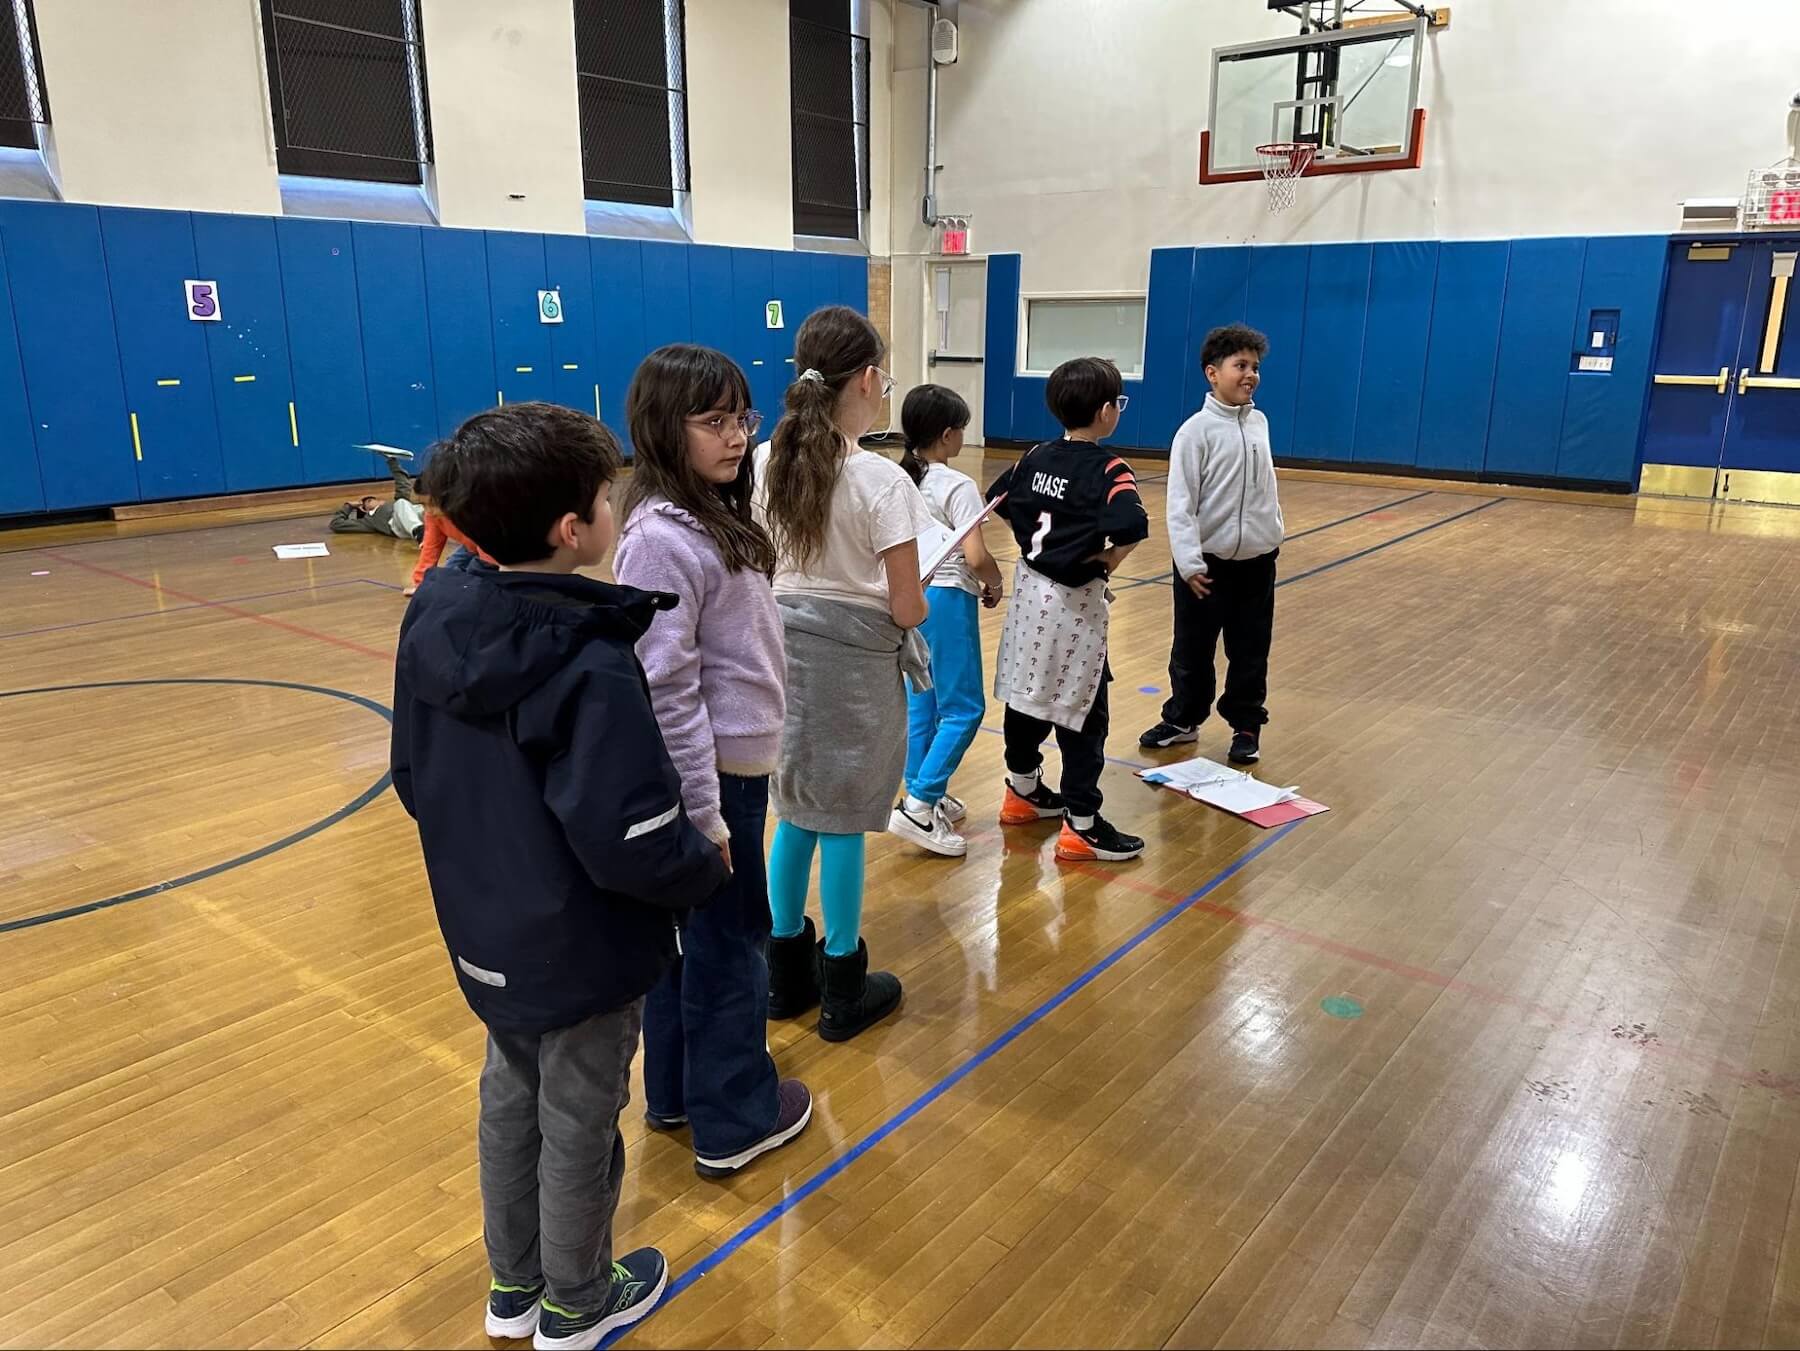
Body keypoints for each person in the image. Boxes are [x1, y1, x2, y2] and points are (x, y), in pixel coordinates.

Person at [390, 402, 727, 1350]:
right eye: (607, 498)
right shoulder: (587, 655)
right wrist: (700, 870)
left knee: (510, 1089)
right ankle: (577, 1299)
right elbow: (631, 834)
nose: (617, 510)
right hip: (582, 941)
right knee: (580, 1110)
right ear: (571, 530)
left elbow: (413, 777)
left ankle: (516, 1285)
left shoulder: (433, 618)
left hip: (484, 927)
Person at [613, 344, 813, 1178]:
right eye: (713, 421)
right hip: (715, 783)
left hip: (730, 774)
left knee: (697, 941)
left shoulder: (707, 517)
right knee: (733, 942)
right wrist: (702, 812)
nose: (736, 437)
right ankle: (735, 1116)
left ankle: (680, 1092)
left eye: (741, 417)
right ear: (668, 428)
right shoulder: (660, 537)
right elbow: (666, 690)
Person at [751, 305, 932, 1043]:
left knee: (794, 806)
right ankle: (842, 987)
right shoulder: (882, 481)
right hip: (855, 663)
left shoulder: (763, 459)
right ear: (865, 379)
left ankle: (783, 971)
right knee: (849, 817)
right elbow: (907, 605)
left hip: (780, 651)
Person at [986, 357, 1149, 863]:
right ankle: (1082, 823)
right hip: (1075, 608)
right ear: (1106, 412)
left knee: (1027, 696)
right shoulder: (1109, 468)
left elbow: (997, 499)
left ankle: (1022, 790)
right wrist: (1109, 559)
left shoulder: (1033, 456)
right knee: (1083, 714)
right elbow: (1130, 524)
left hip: (1030, 600)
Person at [1138, 324, 1284, 765]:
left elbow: (1265, 488)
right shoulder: (1194, 432)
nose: (1250, 375)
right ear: (1212, 373)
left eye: (1255, 367)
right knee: (1192, 651)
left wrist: (1272, 531)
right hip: (1205, 570)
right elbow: (1180, 504)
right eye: (1240, 365)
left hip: (1257, 564)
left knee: (1250, 650)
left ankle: (1245, 725)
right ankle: (1183, 719)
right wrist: (1189, 562)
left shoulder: (1259, 422)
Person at [889, 384, 1002, 858]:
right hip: (949, 599)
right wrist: (994, 583)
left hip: (908, 597)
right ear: (948, 433)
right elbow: (975, 557)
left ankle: (919, 792)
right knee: (963, 708)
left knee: (924, 703)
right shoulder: (956, 485)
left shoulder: (898, 479)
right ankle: (920, 803)